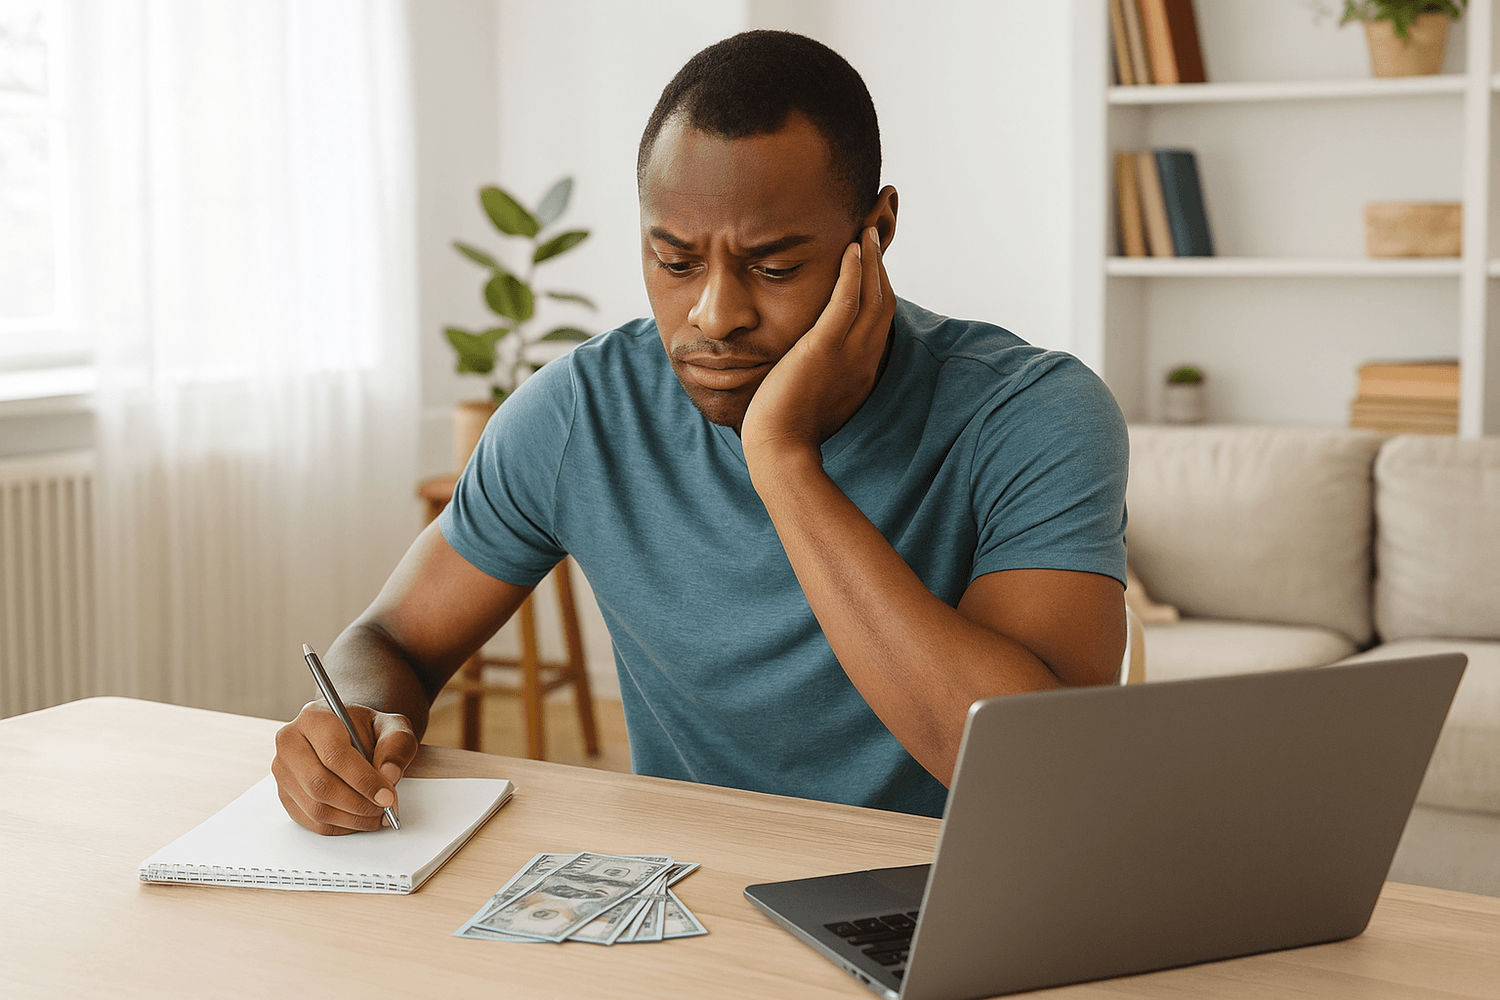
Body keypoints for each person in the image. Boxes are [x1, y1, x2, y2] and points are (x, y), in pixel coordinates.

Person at [272, 29, 1128, 834]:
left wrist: (782, 461)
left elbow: (1036, 776)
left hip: (946, 902)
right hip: (691, 906)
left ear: (876, 233)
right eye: (675, 262)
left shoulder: (1030, 414)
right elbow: (391, 642)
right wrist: (347, 716)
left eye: (774, 266)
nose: (714, 316)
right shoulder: (580, 413)